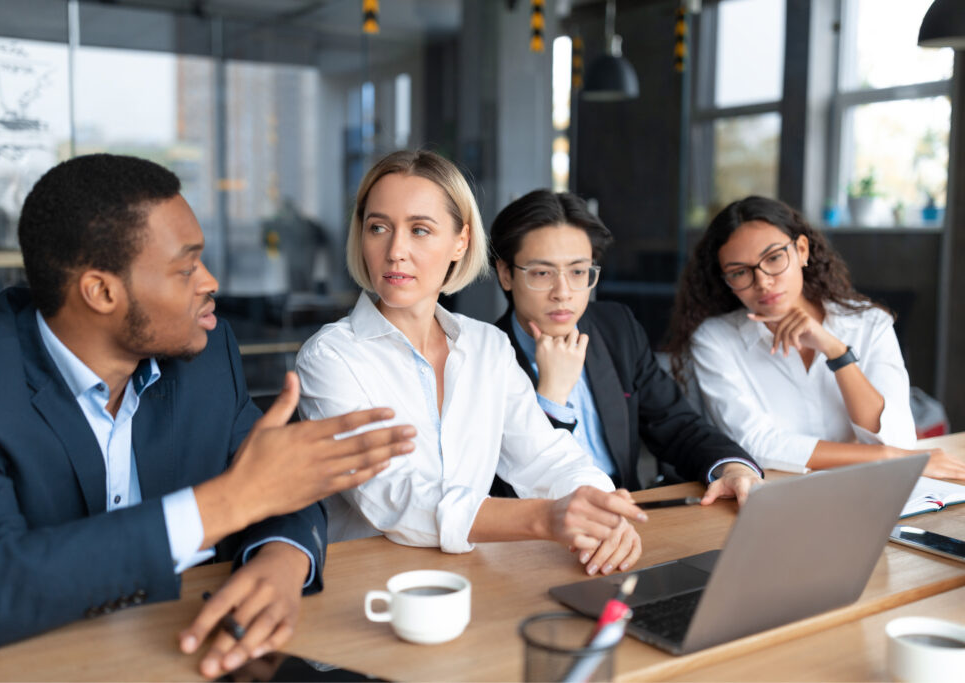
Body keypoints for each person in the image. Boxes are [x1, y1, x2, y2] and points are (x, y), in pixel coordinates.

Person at [0, 155, 416, 676]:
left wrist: (282, 560)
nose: (209, 282)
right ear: (102, 292)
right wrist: (228, 502)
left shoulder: (206, 354)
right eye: (186, 267)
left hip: (196, 652)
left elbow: (272, 474)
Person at [297, 150, 649, 579]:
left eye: (420, 230)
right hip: (369, 588)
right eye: (378, 228)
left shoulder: (487, 346)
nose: (395, 251)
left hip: (472, 578)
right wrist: (542, 519)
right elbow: (392, 496)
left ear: (460, 241)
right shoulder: (330, 357)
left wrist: (603, 509)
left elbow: (546, 456)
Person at [488, 189, 762, 500]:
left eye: (578, 271)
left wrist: (732, 468)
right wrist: (551, 400)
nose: (563, 291)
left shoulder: (616, 328)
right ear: (506, 274)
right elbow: (511, 490)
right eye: (542, 273)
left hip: (629, 518)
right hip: (538, 536)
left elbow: (676, 424)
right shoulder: (482, 359)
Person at [664, 195, 965, 478]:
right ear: (726, 280)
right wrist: (889, 458)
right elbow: (757, 444)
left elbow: (898, 437)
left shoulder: (869, 323)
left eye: (773, 259)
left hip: (874, 489)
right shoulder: (715, 339)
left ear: (802, 251)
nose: (763, 282)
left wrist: (836, 351)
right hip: (778, 496)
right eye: (740, 272)